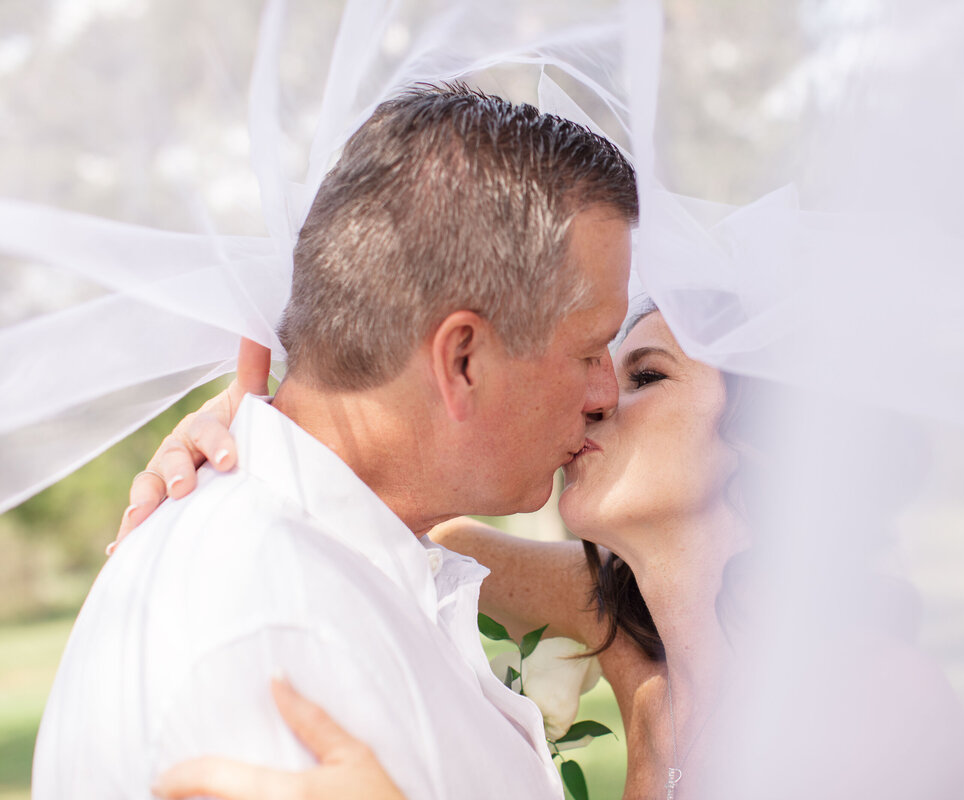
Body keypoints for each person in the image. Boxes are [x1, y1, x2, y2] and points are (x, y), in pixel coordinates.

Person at [31, 84, 637, 800]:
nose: (607, 394)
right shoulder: (273, 634)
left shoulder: (355, 560)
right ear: (462, 360)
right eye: (592, 350)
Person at [126, 304, 964, 800]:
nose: (596, 399)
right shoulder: (632, 647)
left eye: (646, 377)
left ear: (769, 444)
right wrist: (251, 448)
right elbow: (414, 517)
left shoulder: (875, 697)